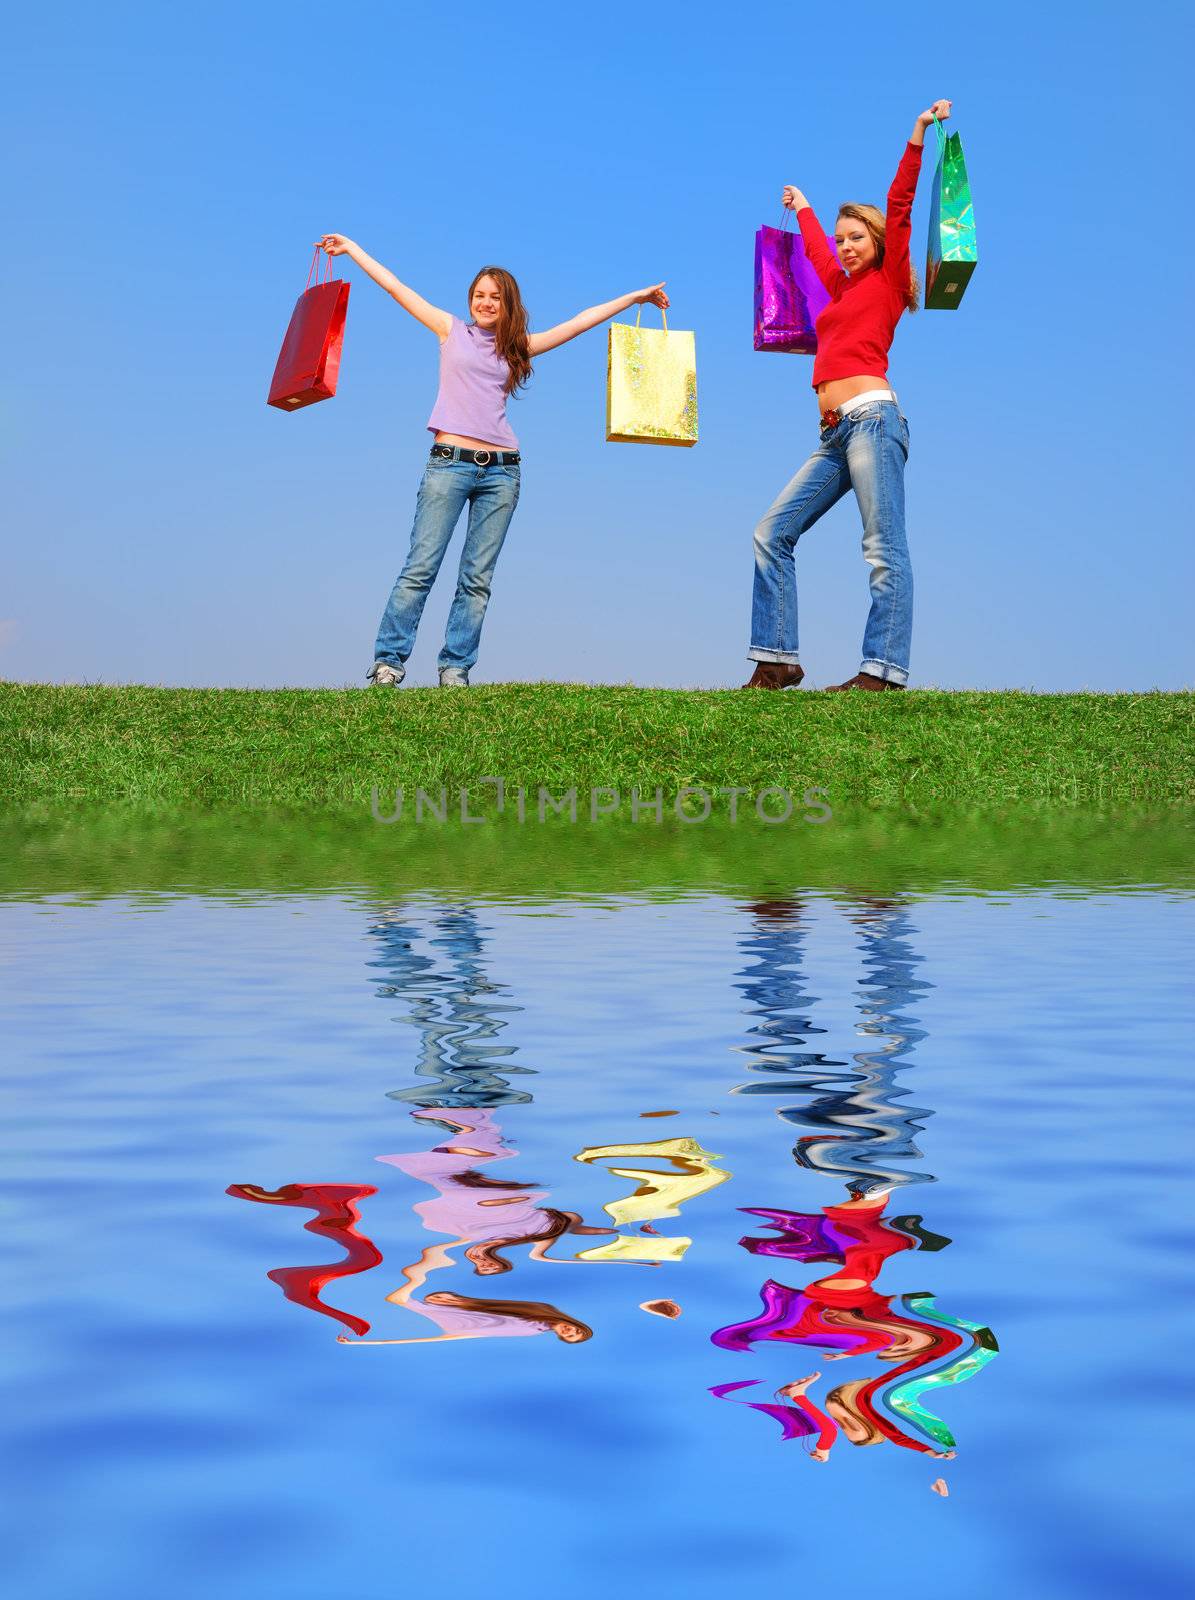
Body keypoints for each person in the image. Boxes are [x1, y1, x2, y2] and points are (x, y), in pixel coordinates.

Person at [315, 236, 668, 687]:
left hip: (502, 472)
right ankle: (389, 662)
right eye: (479, 295)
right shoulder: (449, 330)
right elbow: (394, 286)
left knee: (476, 580)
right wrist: (353, 249)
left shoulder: (518, 346)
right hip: (448, 464)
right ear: (470, 300)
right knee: (420, 568)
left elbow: (580, 323)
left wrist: (634, 297)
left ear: (507, 305)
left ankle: (455, 668)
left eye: (494, 297)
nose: (485, 303)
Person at [743, 99, 952, 693]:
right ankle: (777, 659)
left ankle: (881, 672)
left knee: (882, 548)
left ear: (879, 241)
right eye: (842, 239)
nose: (845, 246)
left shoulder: (889, 280)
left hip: (873, 422)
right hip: (834, 433)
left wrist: (917, 134)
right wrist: (805, 208)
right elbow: (811, 251)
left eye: (856, 237)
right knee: (771, 531)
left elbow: (902, 203)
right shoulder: (837, 289)